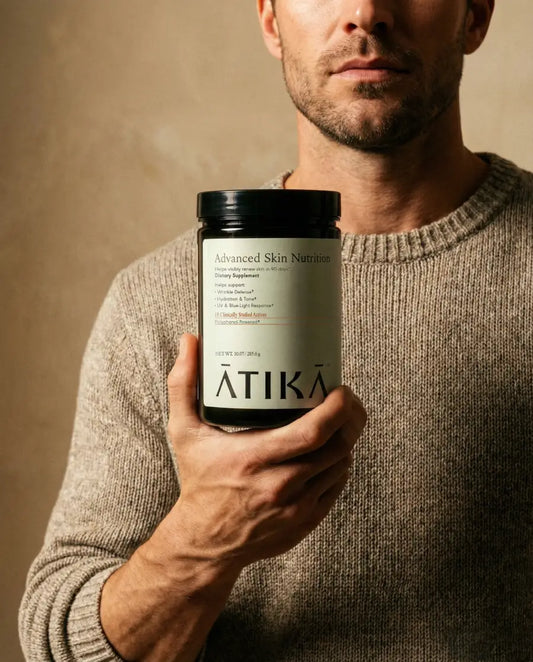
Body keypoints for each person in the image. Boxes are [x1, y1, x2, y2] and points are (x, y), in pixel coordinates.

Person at [19, 0, 532, 660]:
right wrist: (203, 536)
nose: (366, 13)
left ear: (476, 15)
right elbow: (58, 644)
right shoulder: (158, 303)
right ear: (270, 20)